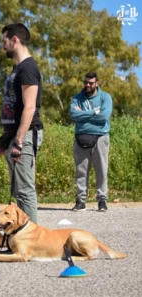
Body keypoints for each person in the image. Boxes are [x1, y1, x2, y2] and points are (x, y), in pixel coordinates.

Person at [0, 23, 43, 223]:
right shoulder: (17, 68)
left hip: (25, 135)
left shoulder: (28, 68)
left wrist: (19, 140)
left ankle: (31, 241)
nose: (2, 46)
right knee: (17, 191)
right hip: (14, 136)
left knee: (24, 190)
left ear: (15, 40)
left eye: (4, 41)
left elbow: (29, 108)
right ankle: (18, 239)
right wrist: (5, 140)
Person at [70, 72, 112, 212]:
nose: (87, 85)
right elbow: (73, 114)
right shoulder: (77, 97)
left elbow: (104, 116)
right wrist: (94, 112)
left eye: (91, 83)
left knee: (101, 170)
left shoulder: (105, 97)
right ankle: (80, 201)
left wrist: (82, 114)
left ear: (97, 83)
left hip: (100, 137)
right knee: (81, 171)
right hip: (80, 138)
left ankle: (102, 200)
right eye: (86, 82)